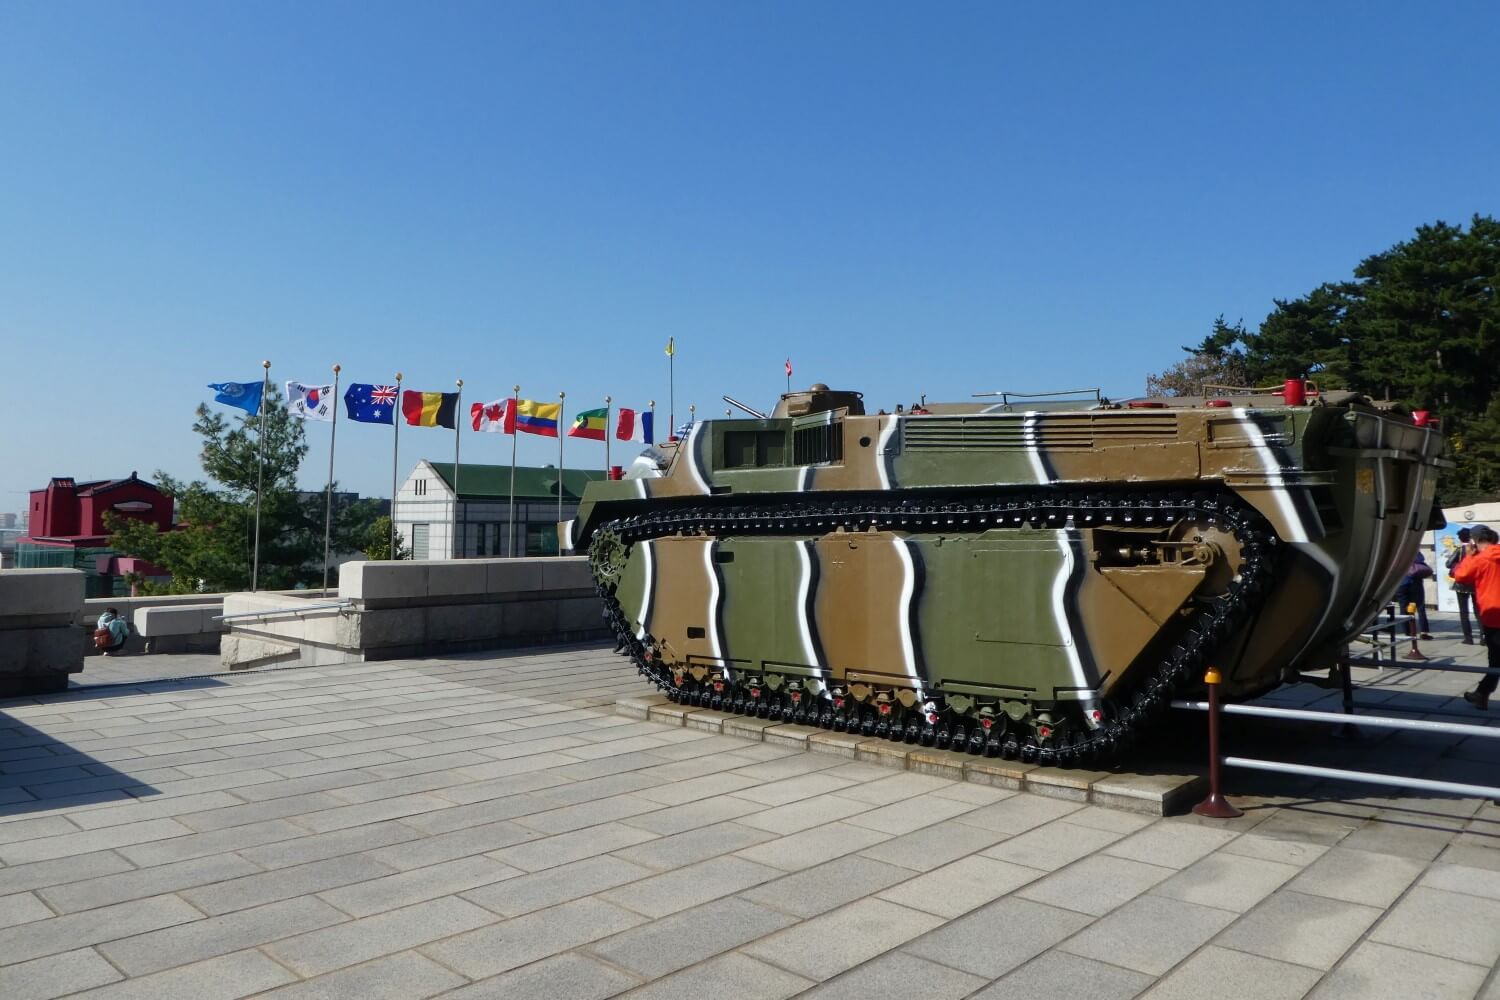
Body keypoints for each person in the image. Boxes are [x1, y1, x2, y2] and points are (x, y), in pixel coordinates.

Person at [1457, 525, 1500, 709]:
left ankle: (1482, 694)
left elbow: (1461, 576)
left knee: (1496, 659)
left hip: (1493, 615)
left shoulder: (1481, 559)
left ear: (1474, 541)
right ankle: (1481, 694)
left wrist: (1469, 556)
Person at [1448, 528, 1478, 644]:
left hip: (1461, 583)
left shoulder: (1460, 550)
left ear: (1460, 538)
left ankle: (1468, 638)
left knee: (1463, 612)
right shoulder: (1476, 549)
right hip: (1474, 583)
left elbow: (1448, 563)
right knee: (1478, 610)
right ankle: (1483, 636)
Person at [1397, 553, 1434, 639]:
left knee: (1404, 608)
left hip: (1401, 583)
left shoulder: (1397, 551)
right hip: (1415, 582)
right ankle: (1424, 632)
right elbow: (1421, 559)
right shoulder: (1414, 549)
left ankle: (1408, 632)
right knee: (1420, 607)